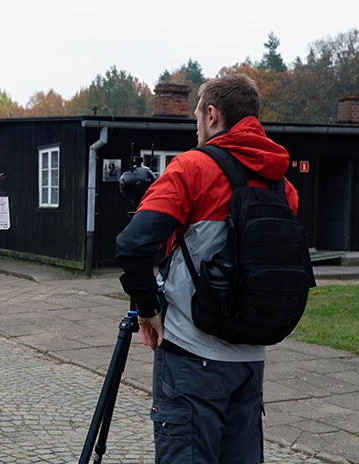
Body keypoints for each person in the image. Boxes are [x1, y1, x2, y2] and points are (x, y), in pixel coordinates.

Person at [115, 73, 300, 463]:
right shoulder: (281, 185)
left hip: (191, 358)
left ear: (212, 115)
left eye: (197, 117)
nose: (196, 128)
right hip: (251, 362)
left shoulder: (192, 168)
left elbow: (133, 245)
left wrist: (148, 310)